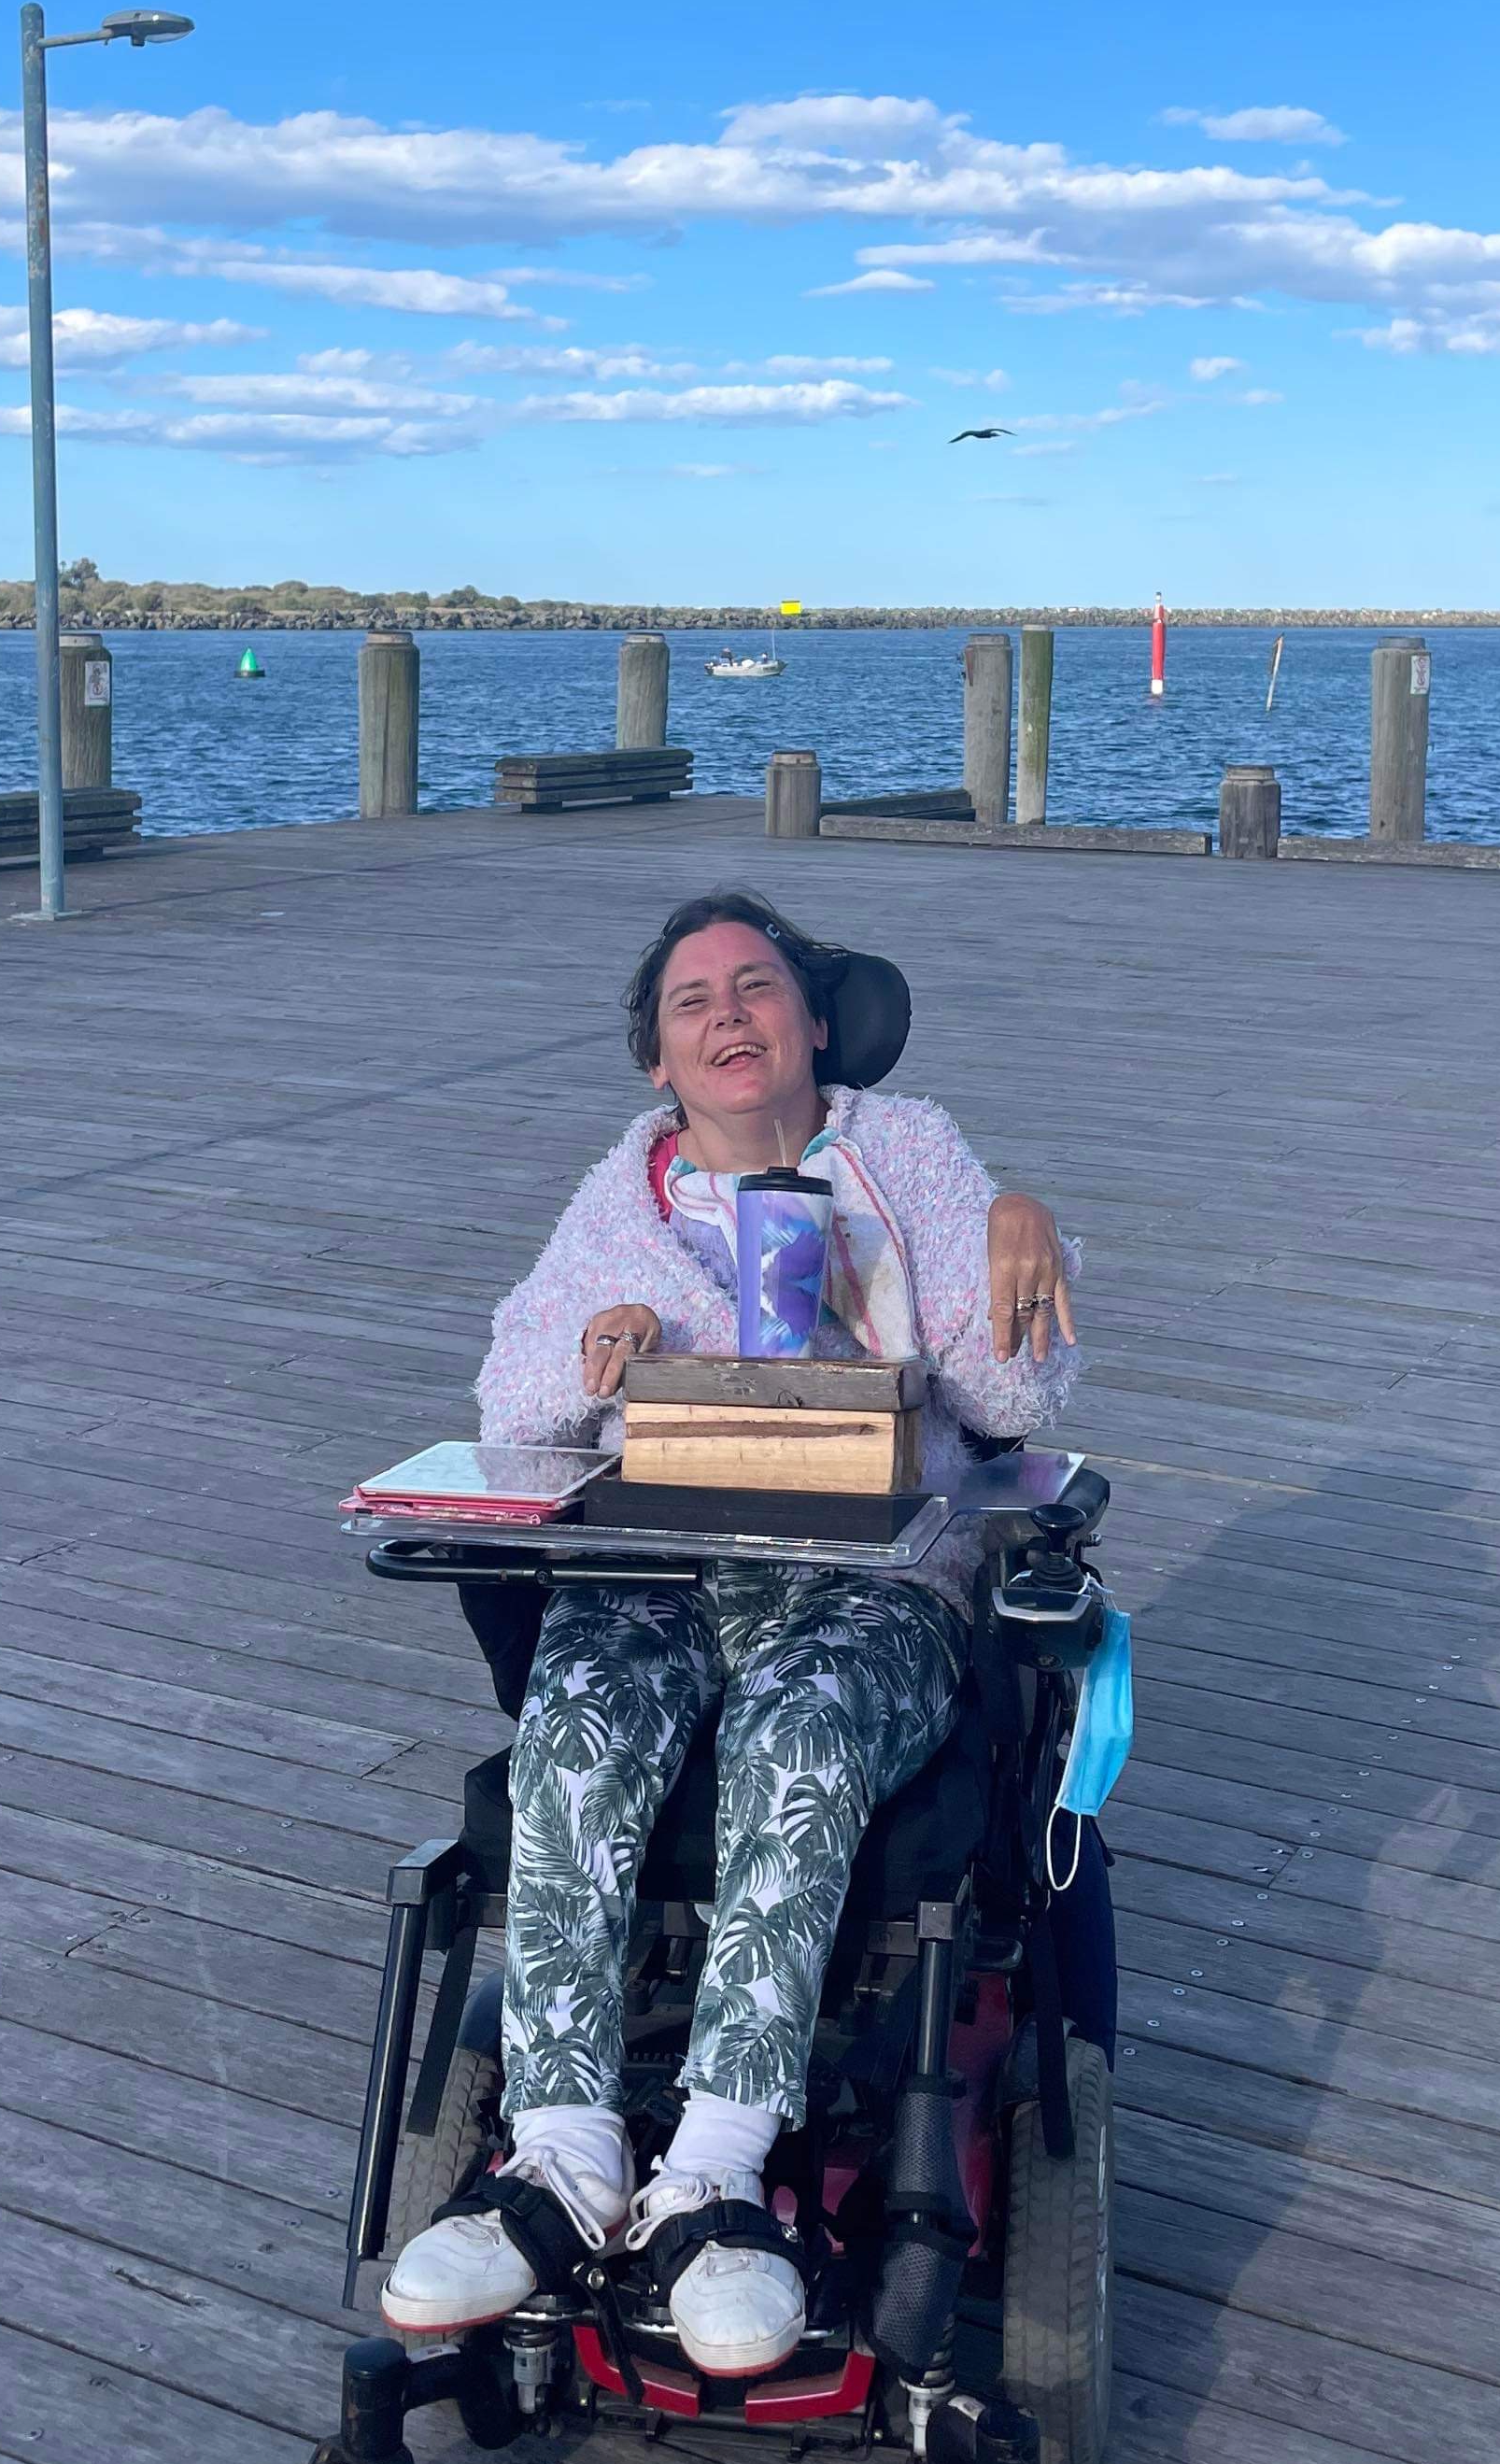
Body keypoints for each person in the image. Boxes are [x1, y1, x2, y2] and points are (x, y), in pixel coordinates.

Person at [382, 887, 1081, 2379]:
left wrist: (1014, 1231)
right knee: (576, 1715)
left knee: (799, 1729)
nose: (727, 1016)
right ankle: (559, 2157)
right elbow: (513, 1411)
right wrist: (603, 1350)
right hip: (664, 1565)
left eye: (755, 986)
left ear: (816, 1021)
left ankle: (714, 2175)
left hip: (877, 1577)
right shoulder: (622, 1203)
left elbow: (1010, 1407)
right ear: (660, 1058)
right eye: (691, 1001)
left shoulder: (907, 1157)